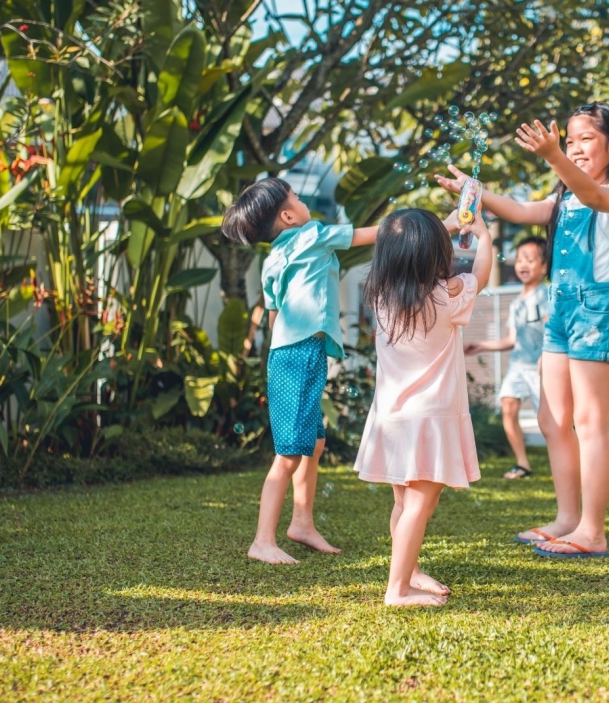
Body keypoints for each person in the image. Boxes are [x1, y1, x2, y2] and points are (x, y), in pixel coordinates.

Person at [436, 102, 609, 559]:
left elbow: (593, 195)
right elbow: (520, 209)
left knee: (589, 422)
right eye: (569, 141)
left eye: (585, 140)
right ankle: (568, 519)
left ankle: (593, 530)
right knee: (552, 420)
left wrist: (553, 155)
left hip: (597, 309)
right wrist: (476, 194)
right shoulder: (564, 196)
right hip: (562, 308)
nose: (575, 148)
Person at [221, 177, 377, 565]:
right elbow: (369, 235)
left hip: (286, 354)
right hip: (300, 353)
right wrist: (436, 226)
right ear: (289, 216)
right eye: (297, 198)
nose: (304, 201)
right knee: (289, 452)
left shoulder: (273, 257)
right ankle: (262, 541)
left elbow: (274, 313)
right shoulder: (313, 235)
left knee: (315, 441)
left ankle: (302, 524)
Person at [354, 208, 493, 606]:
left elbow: (398, 243)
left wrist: (443, 225)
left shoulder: (382, 296)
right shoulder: (446, 296)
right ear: (436, 253)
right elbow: (480, 275)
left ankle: (408, 571)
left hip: (392, 418)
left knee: (404, 502)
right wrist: (483, 236)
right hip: (430, 420)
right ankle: (397, 590)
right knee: (420, 503)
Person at [463, 236, 550, 479]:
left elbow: (553, 331)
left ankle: (567, 458)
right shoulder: (516, 304)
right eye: (520, 259)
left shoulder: (546, 296)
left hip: (542, 367)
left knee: (551, 420)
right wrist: (481, 345)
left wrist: (547, 356)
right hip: (519, 366)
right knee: (508, 407)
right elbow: (511, 340)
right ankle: (522, 463)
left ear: (544, 267)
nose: (523, 264)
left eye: (530, 260)